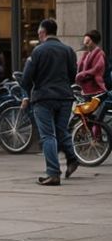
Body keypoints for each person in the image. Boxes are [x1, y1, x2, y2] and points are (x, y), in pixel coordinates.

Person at [19, 18, 80, 185]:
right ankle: (73, 159)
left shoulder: (38, 51)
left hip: (43, 98)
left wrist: (30, 89)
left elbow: (25, 78)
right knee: (61, 131)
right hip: (65, 97)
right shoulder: (68, 50)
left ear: (42, 32)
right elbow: (73, 75)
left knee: (48, 136)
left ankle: (53, 173)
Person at [78, 30, 106, 97]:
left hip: (96, 89)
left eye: (88, 42)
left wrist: (81, 75)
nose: (85, 44)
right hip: (86, 89)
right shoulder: (86, 54)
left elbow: (96, 69)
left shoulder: (99, 54)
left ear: (94, 42)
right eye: (85, 42)